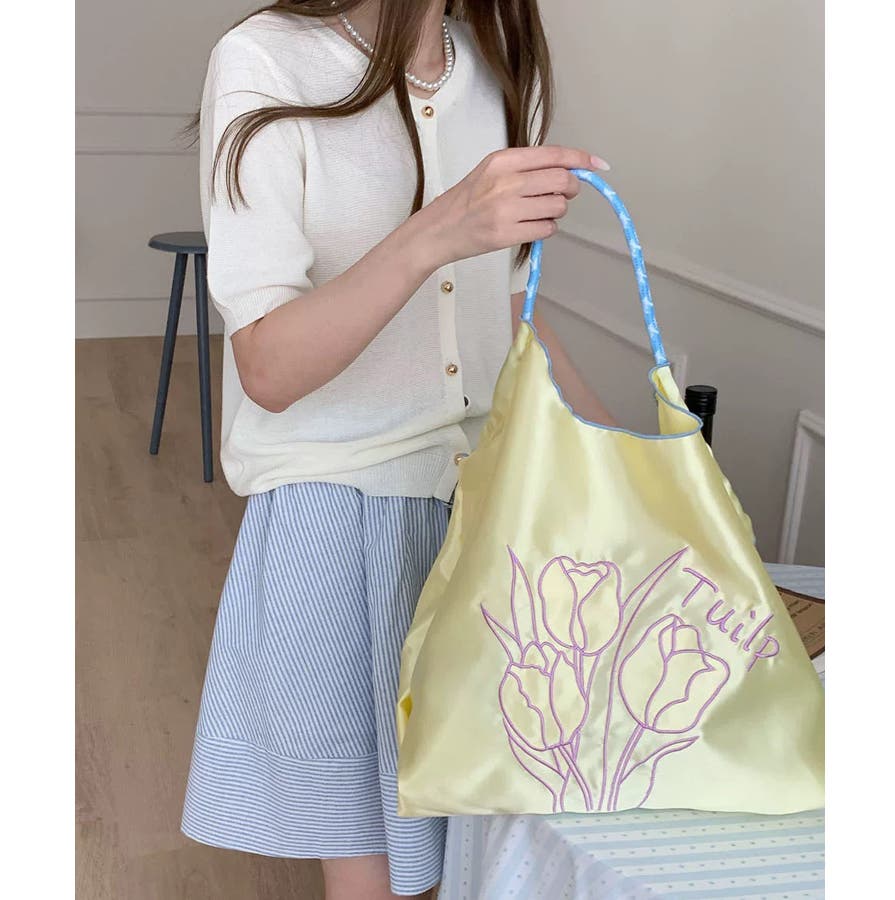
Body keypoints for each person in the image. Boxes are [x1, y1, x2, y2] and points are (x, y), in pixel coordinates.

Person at [180, 2, 615, 898]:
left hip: (490, 518)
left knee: (489, 852)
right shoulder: (266, 60)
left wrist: (626, 469)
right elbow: (267, 366)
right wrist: (440, 229)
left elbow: (508, 309)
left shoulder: (503, 69)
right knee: (380, 880)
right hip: (342, 521)